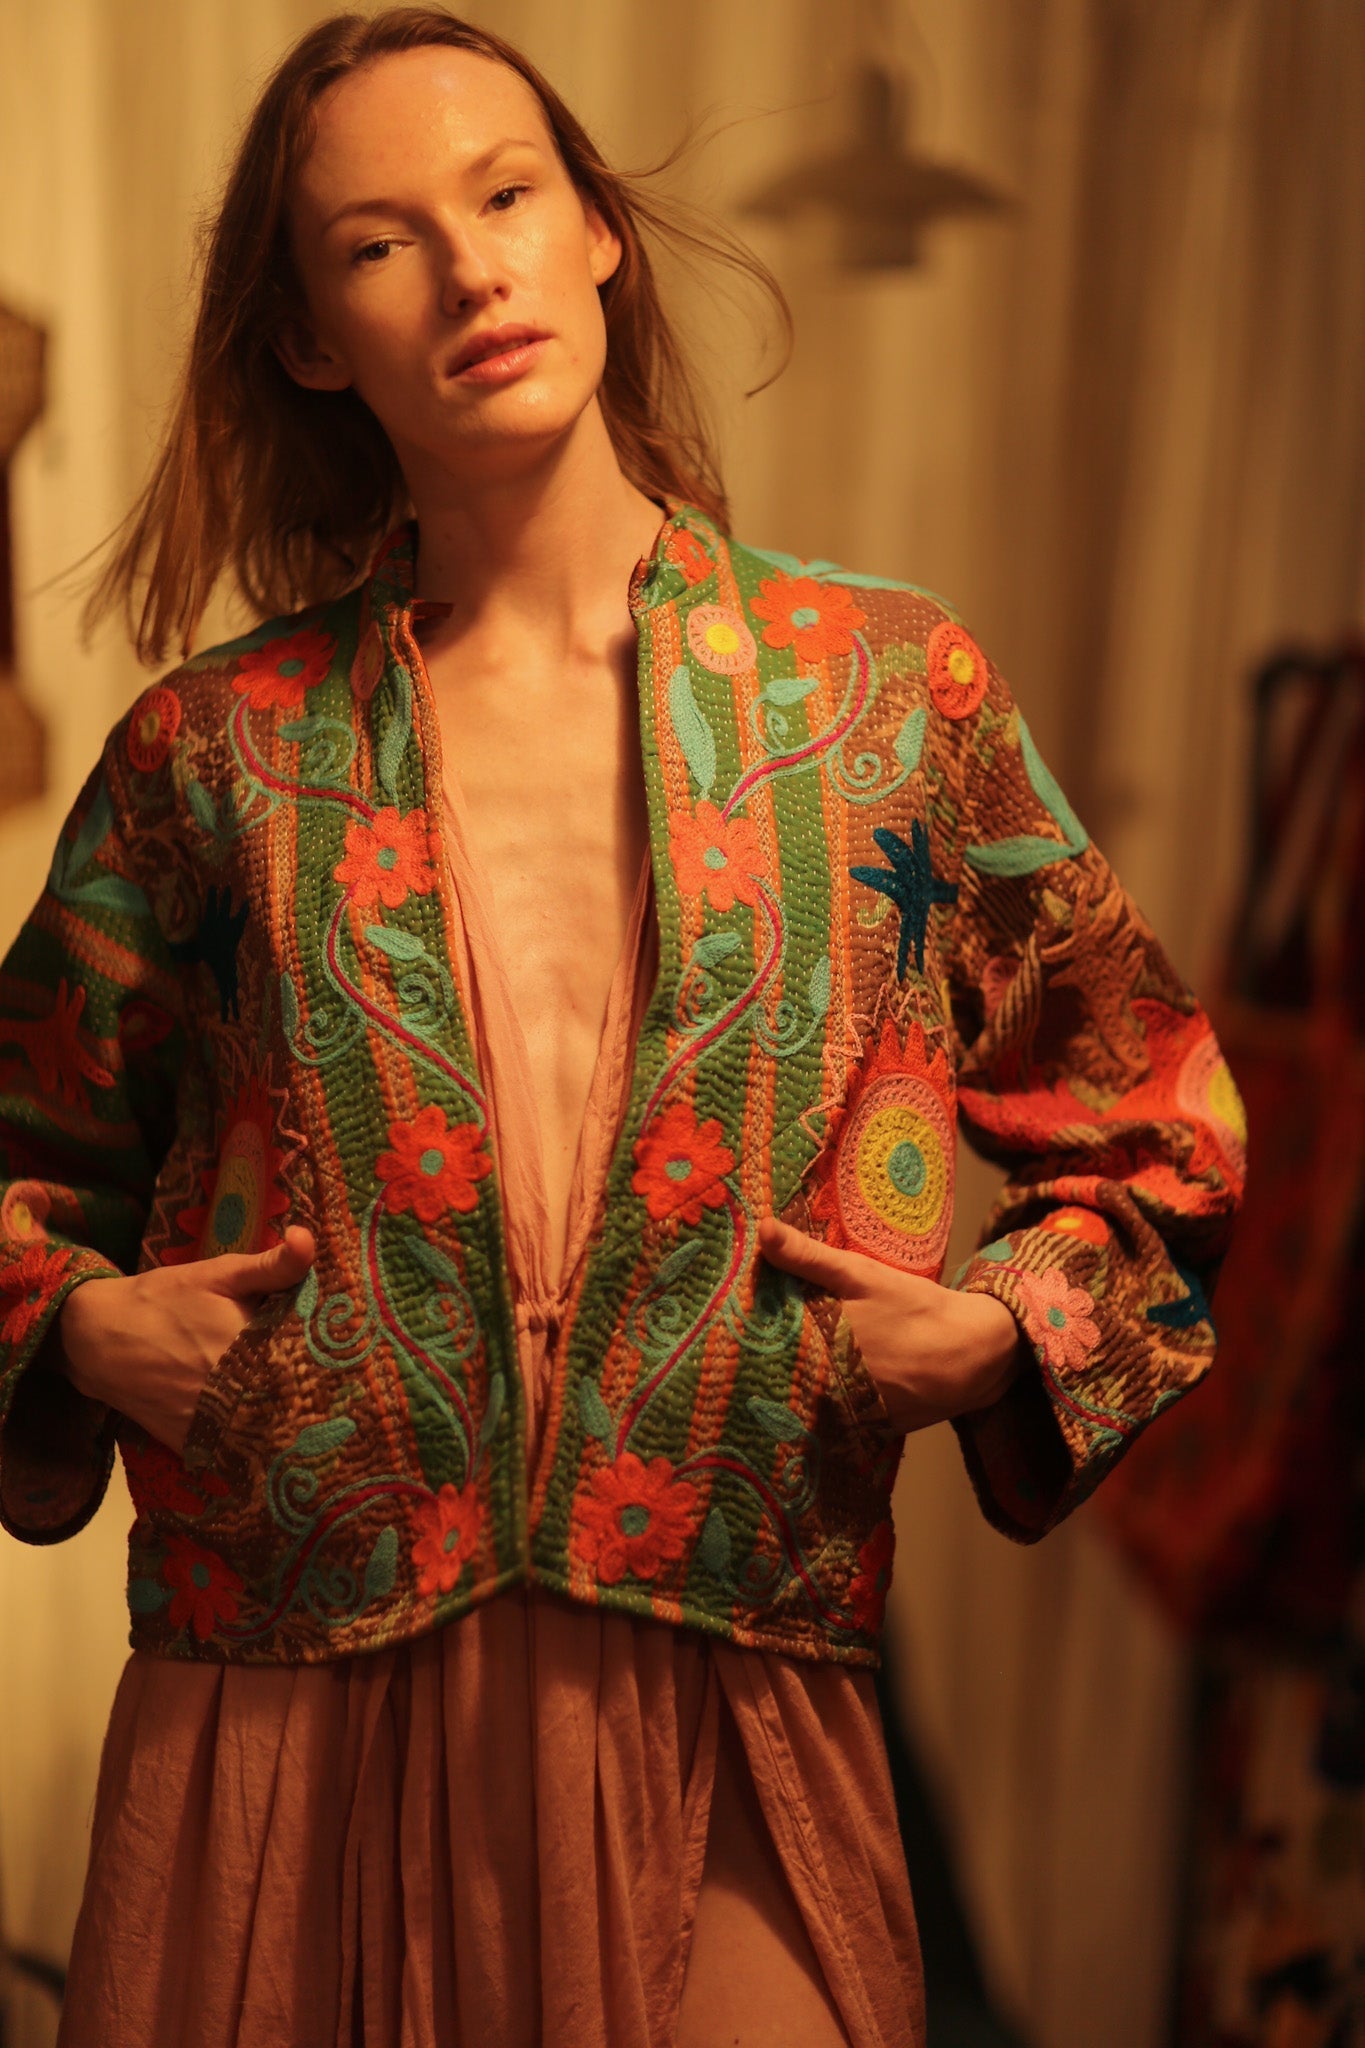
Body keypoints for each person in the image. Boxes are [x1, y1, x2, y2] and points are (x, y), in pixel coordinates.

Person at [0, 9, 1246, 2045]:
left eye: (504, 197)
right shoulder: (208, 756)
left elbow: (1160, 1121)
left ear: (597, 233)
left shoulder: (880, 698)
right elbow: (19, 1158)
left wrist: (1007, 1328)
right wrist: (71, 1328)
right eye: (378, 243)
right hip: (281, 1700)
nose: (468, 271)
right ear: (308, 336)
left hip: (733, 1670)